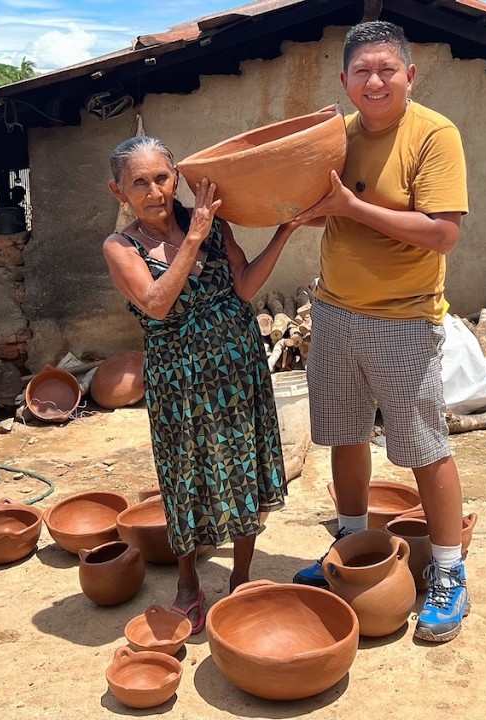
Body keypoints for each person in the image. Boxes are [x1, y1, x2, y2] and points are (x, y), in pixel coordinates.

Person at [289, 20, 472, 643]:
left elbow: (443, 232)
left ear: (409, 76)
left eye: (386, 69)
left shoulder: (434, 134)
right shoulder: (338, 136)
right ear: (344, 81)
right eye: (361, 71)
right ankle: (349, 540)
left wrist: (348, 208)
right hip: (336, 310)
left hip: (404, 317)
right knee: (342, 432)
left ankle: (449, 570)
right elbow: (327, 210)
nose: (374, 81)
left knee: (423, 443)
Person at [103, 135, 299, 634]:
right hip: (178, 376)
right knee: (185, 472)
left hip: (237, 363)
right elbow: (157, 303)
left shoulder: (209, 222)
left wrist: (285, 230)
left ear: (176, 177)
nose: (154, 191)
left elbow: (244, 286)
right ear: (118, 191)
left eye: (162, 178)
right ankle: (189, 584)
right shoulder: (121, 247)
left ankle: (241, 578)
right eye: (139, 183)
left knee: (243, 464)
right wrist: (194, 239)